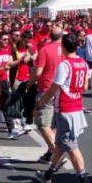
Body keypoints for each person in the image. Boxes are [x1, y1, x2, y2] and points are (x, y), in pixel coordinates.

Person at [36, 33, 91, 183]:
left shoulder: (65, 65)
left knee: (72, 146)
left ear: (63, 47)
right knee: (61, 144)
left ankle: (83, 176)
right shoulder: (84, 63)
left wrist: (41, 103)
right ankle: (48, 175)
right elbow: (85, 86)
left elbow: (54, 88)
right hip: (77, 106)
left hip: (65, 108)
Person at [26, 26, 64, 163]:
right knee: (54, 124)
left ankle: (57, 153)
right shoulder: (67, 49)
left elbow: (37, 73)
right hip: (63, 90)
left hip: (47, 88)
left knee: (42, 123)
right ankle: (50, 153)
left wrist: (29, 83)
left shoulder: (45, 50)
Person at [0, 31, 23, 138]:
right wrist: (2, 68)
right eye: (4, 39)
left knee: (7, 106)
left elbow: (9, 65)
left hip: (4, 82)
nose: (7, 41)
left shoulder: (8, 50)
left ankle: (11, 130)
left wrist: (20, 60)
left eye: (7, 39)